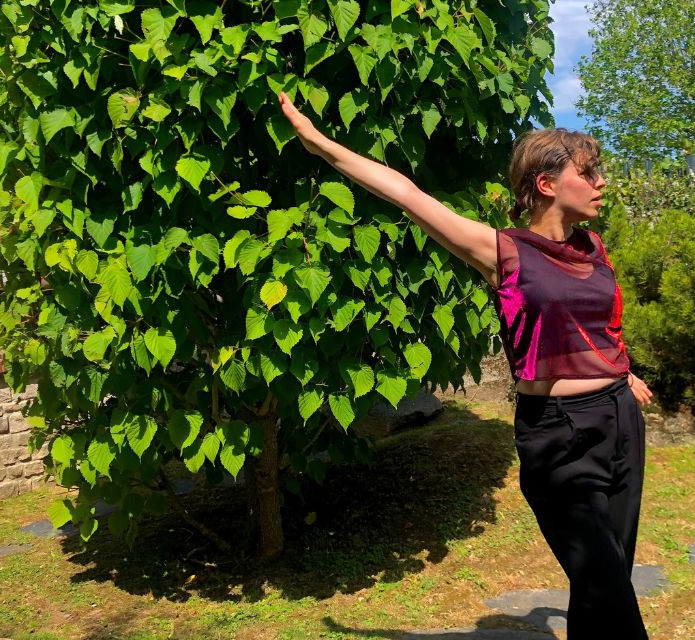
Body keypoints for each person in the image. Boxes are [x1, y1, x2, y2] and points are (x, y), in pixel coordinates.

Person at [279, 92, 653, 639]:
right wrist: (318, 144)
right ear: (547, 184)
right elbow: (407, 194)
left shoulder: (593, 246)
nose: (601, 183)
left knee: (607, 573)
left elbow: (600, 325)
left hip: (619, 420)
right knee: (607, 587)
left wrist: (625, 372)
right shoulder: (502, 251)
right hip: (558, 437)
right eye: (588, 172)